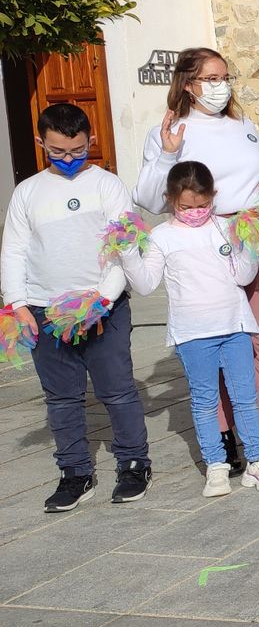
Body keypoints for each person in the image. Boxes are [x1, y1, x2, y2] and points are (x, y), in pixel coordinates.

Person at [133, 47, 259, 472]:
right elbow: (151, 197)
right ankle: (225, 438)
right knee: (220, 337)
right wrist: (169, 153)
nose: (220, 86)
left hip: (256, 234)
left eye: (225, 77)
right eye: (210, 78)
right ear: (188, 83)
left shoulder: (242, 124)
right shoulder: (170, 131)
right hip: (206, 239)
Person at [2, 103, 150, 512]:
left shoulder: (107, 185)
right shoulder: (27, 192)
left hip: (103, 307)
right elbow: (13, 250)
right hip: (45, 310)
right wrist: (18, 303)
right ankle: (74, 472)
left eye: (78, 150)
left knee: (117, 390)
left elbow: (123, 246)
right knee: (62, 397)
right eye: (57, 152)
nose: (69, 160)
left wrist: (103, 299)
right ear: (40, 143)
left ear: (91, 141)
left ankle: (134, 463)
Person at [118, 161, 259, 498]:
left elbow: (242, 276)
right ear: (169, 200)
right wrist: (127, 253)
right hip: (193, 334)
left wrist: (249, 244)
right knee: (205, 401)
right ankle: (216, 464)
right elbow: (146, 284)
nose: (195, 212)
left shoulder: (227, 228)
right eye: (185, 207)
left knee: (245, 398)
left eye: (202, 205)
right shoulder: (162, 236)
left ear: (214, 197)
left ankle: (257, 459)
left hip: (234, 326)